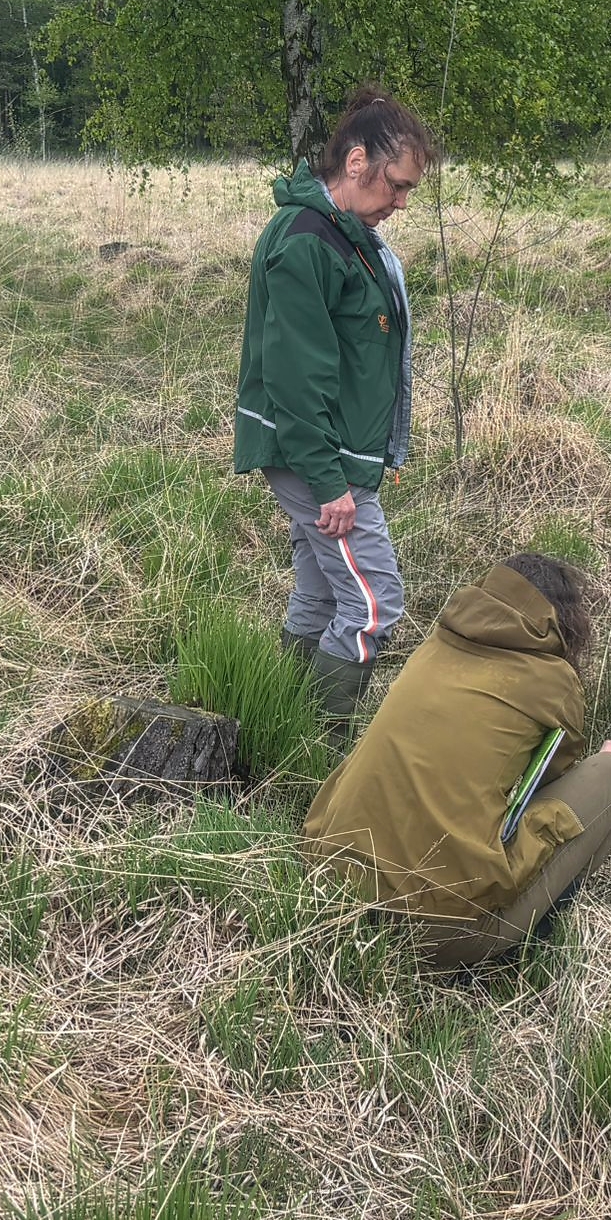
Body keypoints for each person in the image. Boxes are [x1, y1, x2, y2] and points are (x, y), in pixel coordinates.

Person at [303, 554, 611, 967]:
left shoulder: (433, 645)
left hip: (328, 881)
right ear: (560, 621)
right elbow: (553, 779)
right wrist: (607, 757)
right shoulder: (554, 681)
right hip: (438, 931)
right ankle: (534, 944)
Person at [234, 86, 431, 742]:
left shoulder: (350, 236)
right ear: (355, 161)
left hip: (337, 455)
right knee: (375, 605)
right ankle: (322, 744)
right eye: (396, 185)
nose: (400, 203)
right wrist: (330, 485)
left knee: (322, 594)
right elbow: (296, 379)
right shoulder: (306, 243)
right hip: (314, 459)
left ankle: (282, 726)